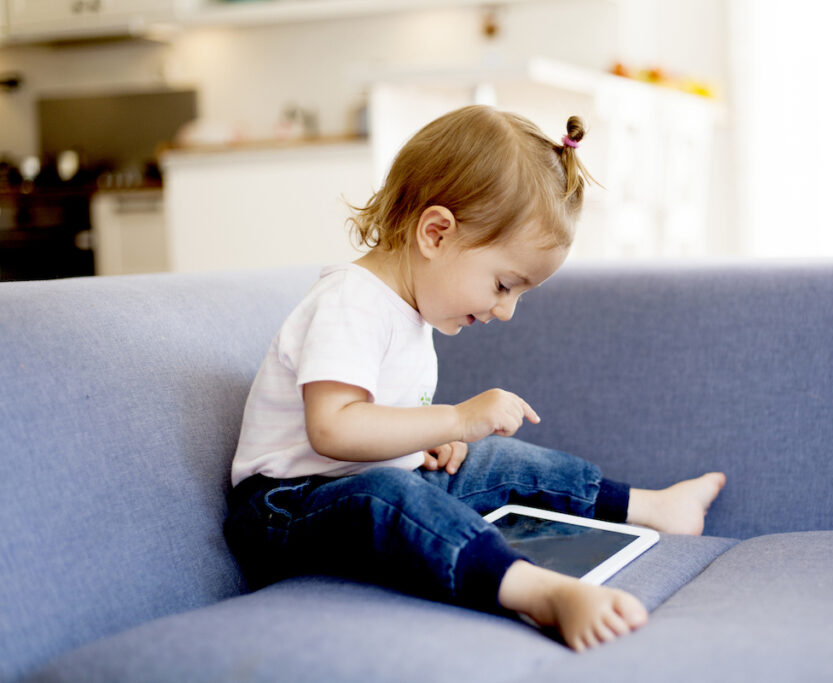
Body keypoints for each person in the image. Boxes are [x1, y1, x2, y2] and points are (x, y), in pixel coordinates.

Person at [224, 105, 726, 652]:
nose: (505, 311)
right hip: (286, 510)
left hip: (353, 484)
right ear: (436, 234)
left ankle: (648, 507)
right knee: (388, 494)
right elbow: (333, 429)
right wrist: (456, 418)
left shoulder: (407, 311)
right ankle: (530, 589)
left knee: (490, 460)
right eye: (504, 285)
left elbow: (372, 420)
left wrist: (430, 438)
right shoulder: (351, 302)